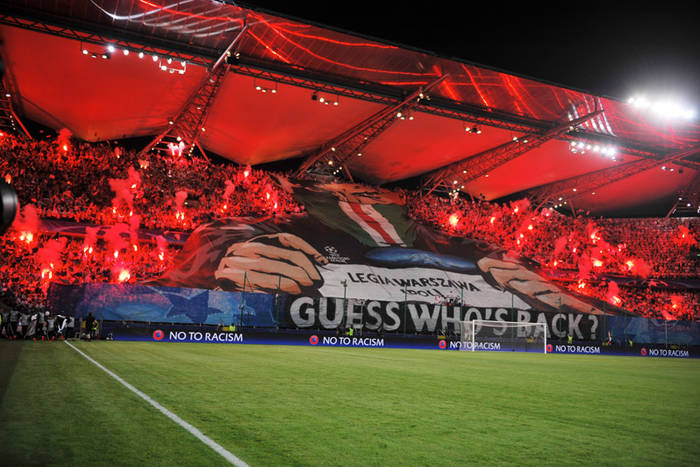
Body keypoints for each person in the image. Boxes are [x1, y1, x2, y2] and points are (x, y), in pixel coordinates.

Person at [152, 178, 605, 331]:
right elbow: (215, 238)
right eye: (349, 192)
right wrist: (224, 258)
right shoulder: (284, 228)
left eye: (373, 193)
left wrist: (587, 309)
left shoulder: (461, 247)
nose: (363, 200)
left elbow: (533, 279)